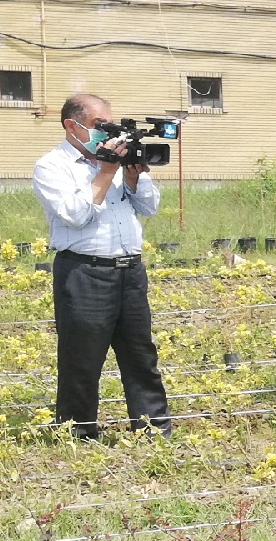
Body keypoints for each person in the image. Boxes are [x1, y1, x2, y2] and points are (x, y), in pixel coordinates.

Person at [32, 93, 172, 438]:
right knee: (82, 360)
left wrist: (134, 178)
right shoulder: (51, 166)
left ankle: (153, 431)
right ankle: (78, 434)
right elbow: (76, 215)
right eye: (99, 126)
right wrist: (106, 172)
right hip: (84, 273)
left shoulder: (119, 161)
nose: (107, 133)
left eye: (109, 125)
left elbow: (149, 208)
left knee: (141, 357)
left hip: (130, 272)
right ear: (72, 126)